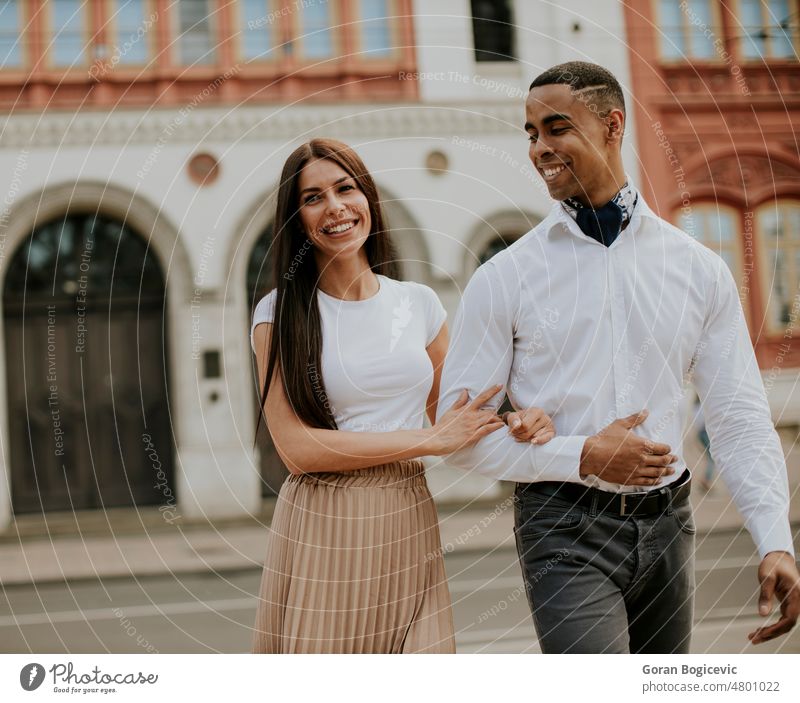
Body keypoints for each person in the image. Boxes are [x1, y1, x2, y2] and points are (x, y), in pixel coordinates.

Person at [437, 61, 799, 653]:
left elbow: (736, 414)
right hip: (562, 525)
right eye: (530, 133)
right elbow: (459, 436)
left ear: (612, 124)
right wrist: (582, 455)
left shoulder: (697, 269)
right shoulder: (504, 278)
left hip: (670, 524)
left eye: (557, 128)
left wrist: (774, 541)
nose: (539, 148)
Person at [249, 138, 551, 653]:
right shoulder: (277, 314)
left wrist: (520, 424)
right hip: (325, 524)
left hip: (407, 515)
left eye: (346, 188)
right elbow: (295, 449)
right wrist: (426, 441)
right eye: (313, 197)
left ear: (368, 197)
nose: (336, 207)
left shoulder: (419, 304)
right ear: (296, 219)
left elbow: (456, 423)